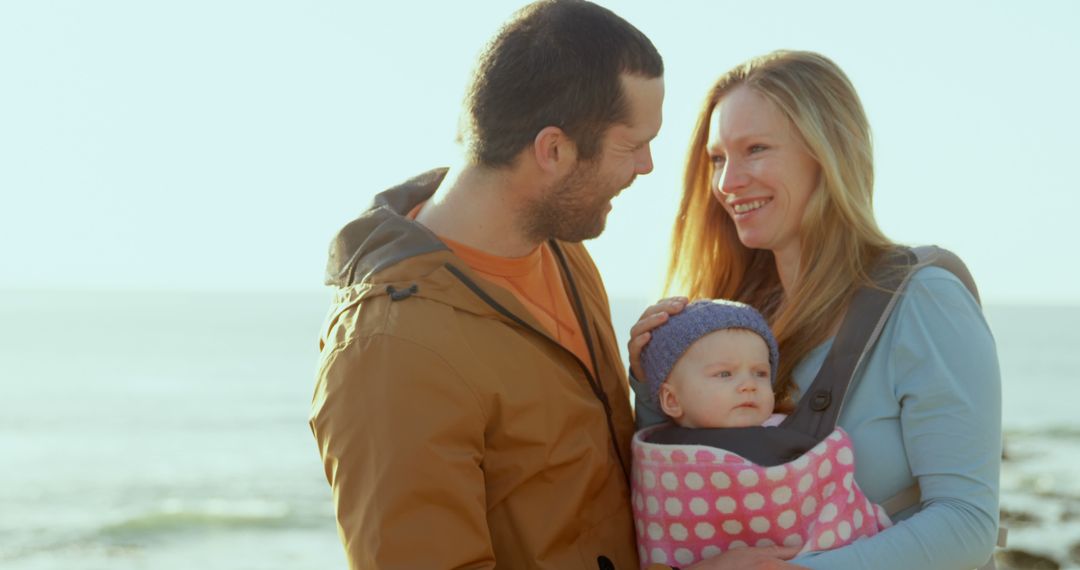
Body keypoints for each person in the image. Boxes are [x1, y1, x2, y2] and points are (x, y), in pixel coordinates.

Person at [308, 1, 682, 568]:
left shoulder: (563, 250)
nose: (648, 166)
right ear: (553, 150)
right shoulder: (390, 351)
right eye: (633, 145)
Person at [628, 50, 1001, 570]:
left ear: (827, 155)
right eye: (717, 159)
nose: (727, 182)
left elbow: (967, 523)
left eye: (755, 149)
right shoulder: (727, 319)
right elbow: (674, 494)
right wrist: (652, 386)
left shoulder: (923, 300)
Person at [631, 299, 892, 568]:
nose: (748, 385)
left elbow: (828, 493)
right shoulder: (658, 454)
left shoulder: (788, 435)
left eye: (760, 373)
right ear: (672, 401)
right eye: (724, 374)